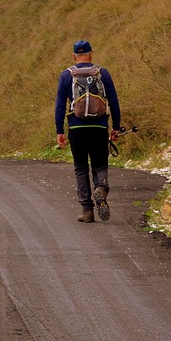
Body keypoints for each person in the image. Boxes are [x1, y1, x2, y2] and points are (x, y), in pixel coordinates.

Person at [55, 40, 122, 223]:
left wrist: (59, 130)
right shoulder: (103, 73)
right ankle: (100, 188)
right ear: (91, 54)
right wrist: (115, 126)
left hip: (77, 128)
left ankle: (87, 211)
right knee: (100, 165)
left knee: (81, 168)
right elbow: (113, 101)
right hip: (99, 127)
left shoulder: (66, 76)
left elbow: (60, 105)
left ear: (74, 56)